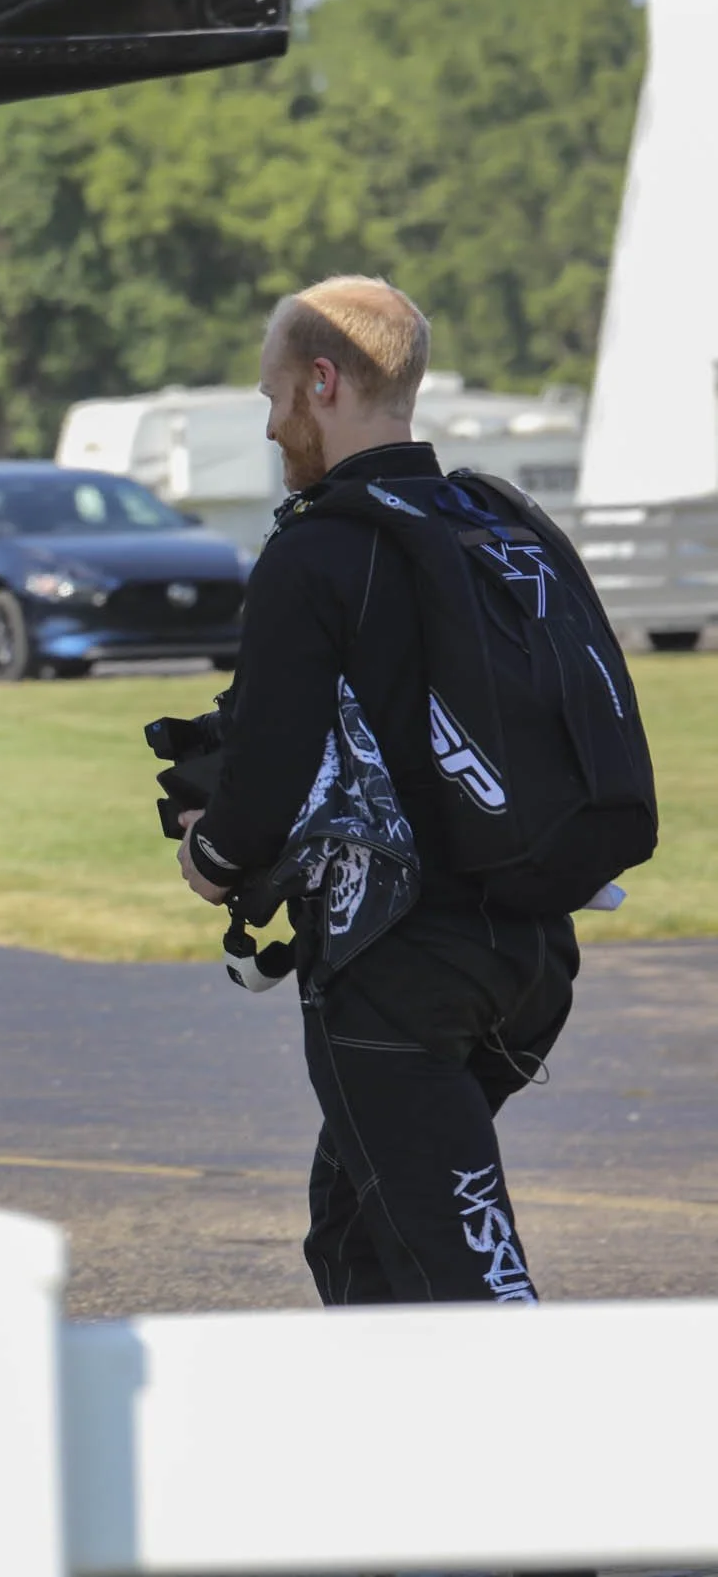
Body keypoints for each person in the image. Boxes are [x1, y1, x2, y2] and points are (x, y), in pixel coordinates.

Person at [177, 277, 581, 1306]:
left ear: (323, 381)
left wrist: (208, 857)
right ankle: (395, 1458)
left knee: (467, 1276)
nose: (271, 425)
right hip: (531, 952)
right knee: (354, 1228)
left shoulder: (314, 551)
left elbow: (265, 777)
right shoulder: (487, 527)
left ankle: (545, 1459)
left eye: (274, 395)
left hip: (396, 968)